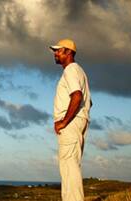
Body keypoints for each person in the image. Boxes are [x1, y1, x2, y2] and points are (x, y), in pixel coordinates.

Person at [50, 39, 92, 201]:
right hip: (78, 120)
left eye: (58, 50)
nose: (55, 53)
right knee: (71, 165)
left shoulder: (71, 70)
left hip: (71, 122)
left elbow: (77, 95)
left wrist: (64, 121)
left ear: (68, 52)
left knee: (69, 167)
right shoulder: (79, 71)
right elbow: (89, 101)